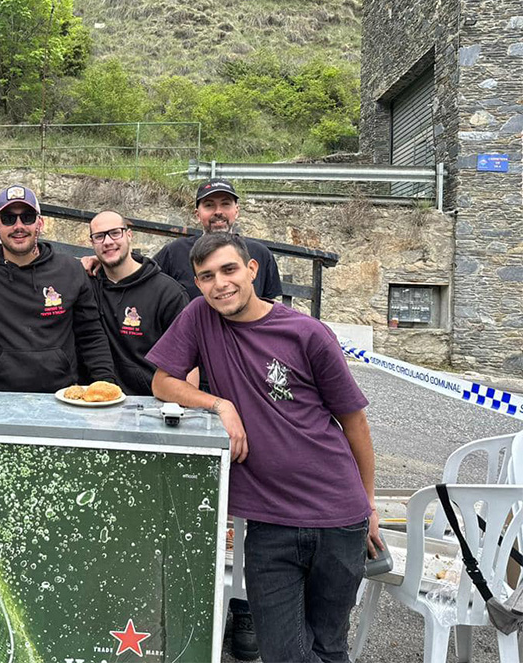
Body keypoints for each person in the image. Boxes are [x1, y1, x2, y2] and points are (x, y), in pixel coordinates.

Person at [146, 232, 381, 663]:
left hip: (338, 516)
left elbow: (354, 422)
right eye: (206, 276)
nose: (220, 284)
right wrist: (220, 404)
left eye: (229, 269)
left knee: (329, 647)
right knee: (281, 653)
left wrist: (368, 503)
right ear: (197, 284)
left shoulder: (307, 333)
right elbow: (163, 382)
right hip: (270, 523)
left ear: (252, 269)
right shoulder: (200, 317)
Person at [0, 184, 117, 392]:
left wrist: (106, 383)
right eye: (8, 218)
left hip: (61, 395)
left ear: (40, 223)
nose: (18, 225)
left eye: (27, 217)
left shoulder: (70, 270)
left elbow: (90, 334)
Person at [87, 210, 188, 395]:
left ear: (129, 235)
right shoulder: (86, 285)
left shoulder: (168, 293)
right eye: (99, 236)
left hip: (150, 404)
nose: (108, 241)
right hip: (97, 400)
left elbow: (187, 362)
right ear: (92, 243)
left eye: (115, 233)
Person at [154, 178, 282, 301]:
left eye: (225, 204)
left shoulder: (260, 253)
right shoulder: (175, 252)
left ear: (236, 211)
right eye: (209, 205)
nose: (218, 211)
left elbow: (267, 305)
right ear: (197, 214)